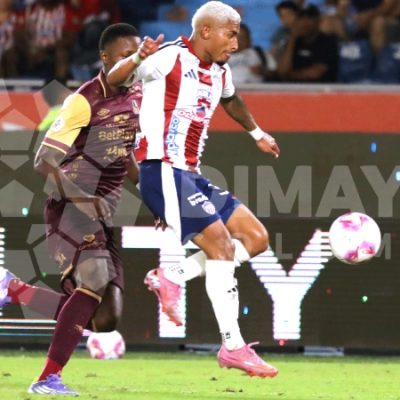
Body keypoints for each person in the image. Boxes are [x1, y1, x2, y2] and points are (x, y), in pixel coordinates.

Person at [107, 1, 280, 378]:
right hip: (160, 169)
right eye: (230, 34)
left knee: (255, 238)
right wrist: (137, 57)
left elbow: (231, 99)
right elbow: (115, 79)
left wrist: (256, 133)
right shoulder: (168, 58)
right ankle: (233, 346)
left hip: (191, 175)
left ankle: (174, 275)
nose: (235, 43)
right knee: (221, 247)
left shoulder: (220, 71)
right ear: (206, 32)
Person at [0, 22, 142, 395]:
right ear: (105, 58)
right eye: (126, 56)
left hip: (103, 213)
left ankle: (14, 289)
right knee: (94, 278)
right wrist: (83, 199)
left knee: (105, 319)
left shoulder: (137, 95)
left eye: (138, 56)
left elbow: (125, 150)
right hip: (70, 206)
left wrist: (155, 196)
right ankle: (47, 378)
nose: (134, 63)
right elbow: (42, 162)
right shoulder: (82, 100)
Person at [277, 4, 339, 82]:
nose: (304, 23)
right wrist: (292, 38)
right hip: (293, 87)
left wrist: (289, 75)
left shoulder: (328, 42)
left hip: (320, 87)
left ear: (318, 21)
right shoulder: (293, 42)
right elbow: (282, 71)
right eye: (301, 18)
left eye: (309, 18)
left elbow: (315, 73)